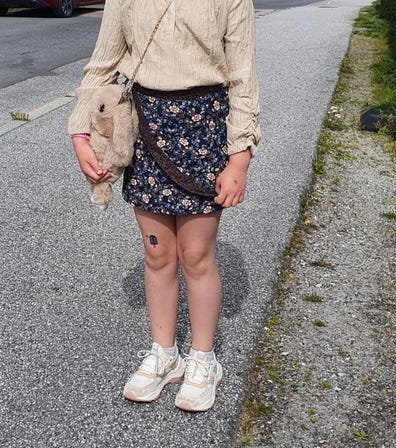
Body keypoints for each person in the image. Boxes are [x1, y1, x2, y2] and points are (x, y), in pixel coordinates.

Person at [68, 0, 260, 412]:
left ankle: (204, 359)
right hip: (147, 129)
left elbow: (243, 78)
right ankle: (165, 354)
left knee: (196, 255)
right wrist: (80, 133)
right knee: (157, 254)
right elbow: (101, 65)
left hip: (205, 129)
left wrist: (239, 157)